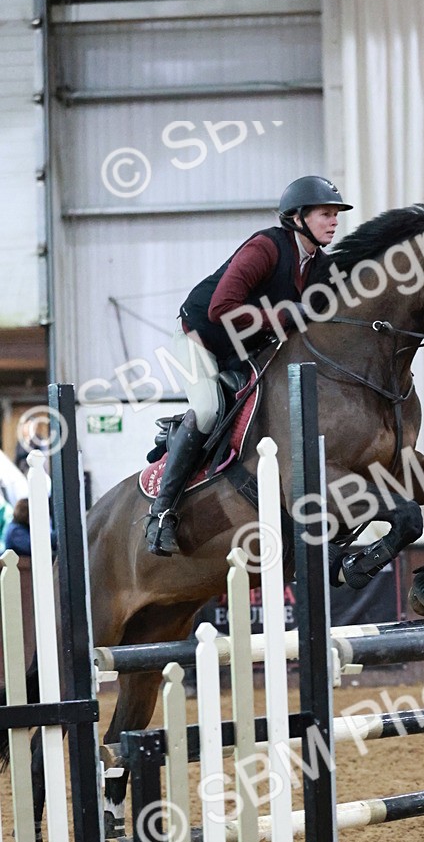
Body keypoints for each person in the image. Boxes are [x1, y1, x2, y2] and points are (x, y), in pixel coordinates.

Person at [145, 175, 352, 557]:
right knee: (208, 409)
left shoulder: (318, 265)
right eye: (326, 214)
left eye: (336, 215)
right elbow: (221, 309)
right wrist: (287, 312)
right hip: (201, 337)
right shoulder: (266, 247)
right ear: (298, 217)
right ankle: (162, 514)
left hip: (246, 349)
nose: (334, 222)